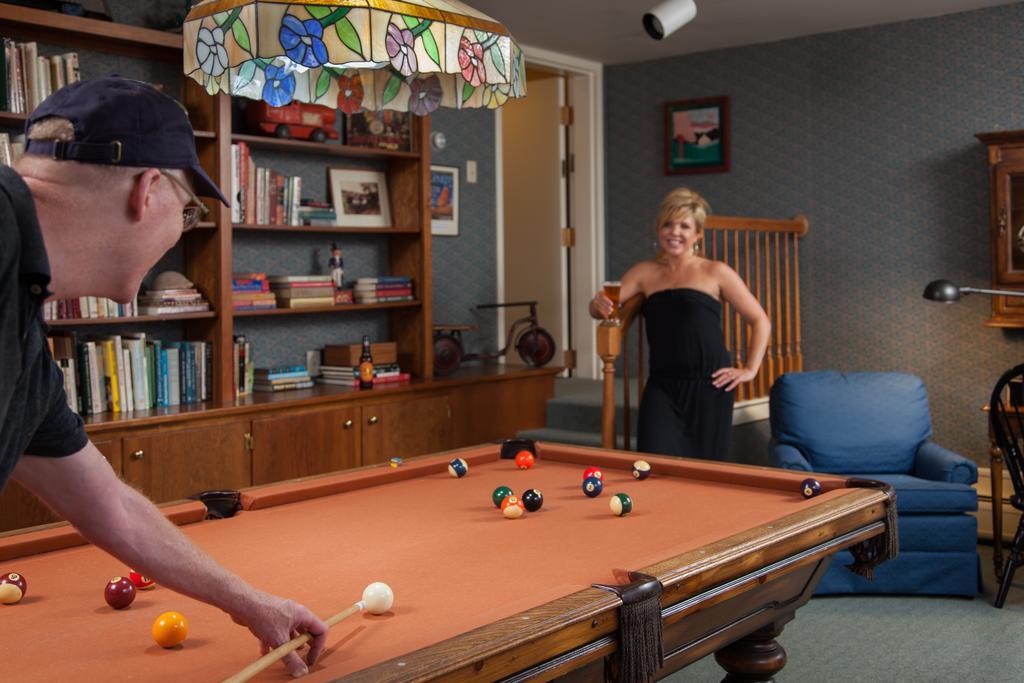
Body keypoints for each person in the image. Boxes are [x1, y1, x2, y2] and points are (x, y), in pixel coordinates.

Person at [0, 77, 326, 677]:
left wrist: (249, 602)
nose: (184, 229)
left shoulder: (23, 332)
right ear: (148, 190)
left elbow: (111, 508)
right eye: (189, 210)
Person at [589, 188, 770, 460]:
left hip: (711, 387)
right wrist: (596, 304)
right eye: (668, 224)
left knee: (706, 475)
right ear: (658, 229)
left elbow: (760, 320)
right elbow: (602, 306)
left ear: (697, 234)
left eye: (684, 226)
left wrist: (749, 369)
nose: (675, 232)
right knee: (652, 465)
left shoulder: (715, 271)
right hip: (662, 386)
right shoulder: (644, 272)